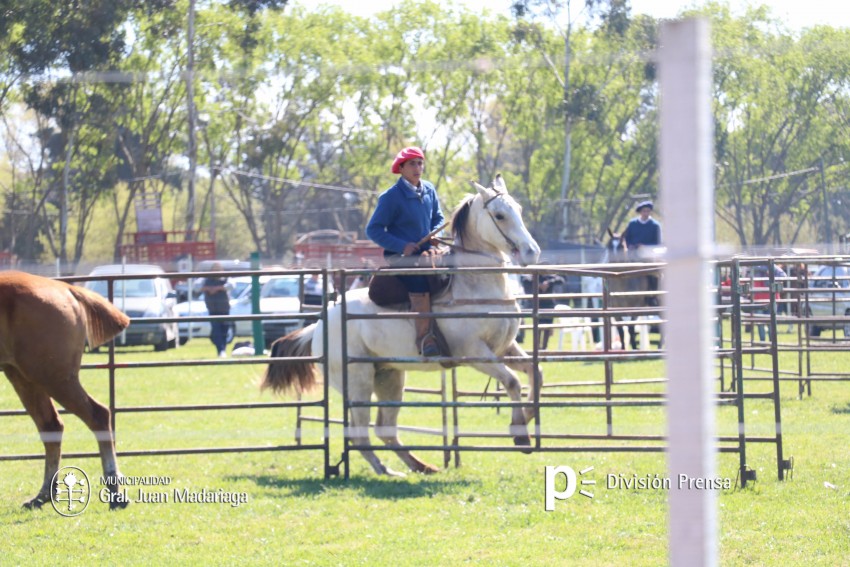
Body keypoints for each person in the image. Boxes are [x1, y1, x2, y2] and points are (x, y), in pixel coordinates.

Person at [366, 146, 445, 357]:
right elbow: (373, 230)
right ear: (400, 168)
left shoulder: (429, 190)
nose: (417, 168)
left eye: (420, 163)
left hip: (427, 253)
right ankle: (425, 339)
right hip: (401, 257)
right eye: (412, 164)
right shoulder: (390, 197)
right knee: (419, 281)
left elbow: (438, 217)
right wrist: (402, 245)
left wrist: (435, 233)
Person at [622, 200, 662, 305]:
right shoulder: (632, 224)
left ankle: (652, 295)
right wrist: (630, 245)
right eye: (644, 211)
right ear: (640, 212)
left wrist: (645, 246)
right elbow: (627, 238)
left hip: (648, 255)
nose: (646, 213)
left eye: (648, 211)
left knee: (652, 273)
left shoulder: (655, 225)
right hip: (633, 254)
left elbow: (657, 242)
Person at [200, 263, 232, 358]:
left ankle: (223, 350)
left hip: (224, 309)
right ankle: (220, 350)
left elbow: (231, 285)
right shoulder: (206, 280)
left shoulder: (226, 279)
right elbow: (197, 287)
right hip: (212, 309)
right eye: (214, 269)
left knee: (224, 330)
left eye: (218, 269)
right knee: (216, 330)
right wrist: (208, 288)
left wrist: (218, 288)